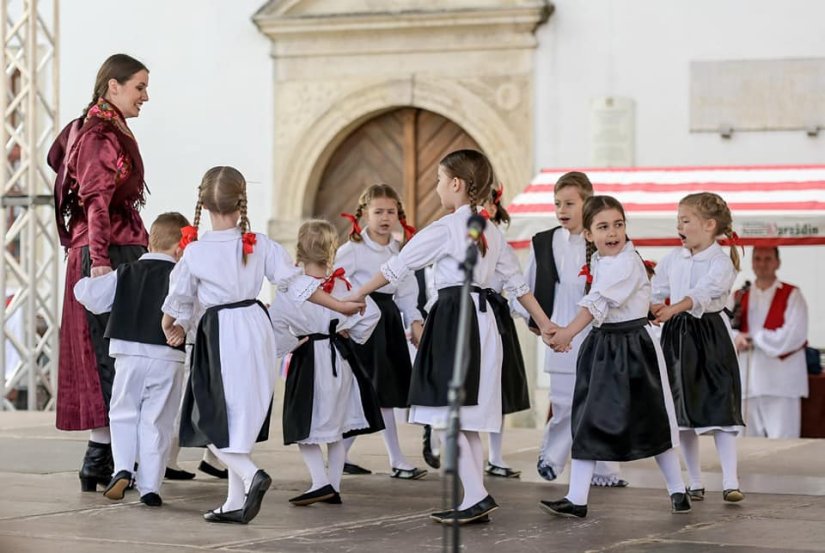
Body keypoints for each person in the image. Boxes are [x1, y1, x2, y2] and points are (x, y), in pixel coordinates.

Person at [347, 149, 556, 525]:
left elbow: (396, 267)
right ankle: (472, 497)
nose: (437, 187)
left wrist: (355, 294)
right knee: (467, 418)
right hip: (484, 322)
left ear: (456, 184)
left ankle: (475, 495)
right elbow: (517, 284)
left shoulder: (447, 228)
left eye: (440, 180)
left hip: (454, 321)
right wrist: (547, 325)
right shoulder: (489, 228)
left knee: (451, 415)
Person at [161, 166, 364, 524]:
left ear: (203, 204)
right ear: (242, 203)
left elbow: (178, 299)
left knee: (210, 414)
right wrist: (341, 305)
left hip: (221, 331)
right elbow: (297, 284)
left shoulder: (196, 252)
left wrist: (170, 326)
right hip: (255, 327)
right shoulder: (260, 245)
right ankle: (234, 502)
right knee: (239, 413)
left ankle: (252, 473)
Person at [540, 195, 689, 519]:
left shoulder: (626, 260)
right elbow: (606, 303)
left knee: (650, 420)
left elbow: (597, 303)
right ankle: (577, 497)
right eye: (603, 226)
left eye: (618, 225)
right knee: (587, 419)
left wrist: (566, 333)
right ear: (589, 234)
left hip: (631, 349)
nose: (613, 233)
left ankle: (678, 489)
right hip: (605, 346)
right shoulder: (602, 261)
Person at [47, 54, 151, 492]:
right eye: (139, 87)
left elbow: (56, 158)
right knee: (109, 354)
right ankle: (104, 457)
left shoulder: (93, 129)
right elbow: (93, 198)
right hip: (103, 249)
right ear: (112, 86)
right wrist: (102, 260)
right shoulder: (98, 134)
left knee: (112, 353)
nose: (146, 96)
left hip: (107, 246)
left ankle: (107, 456)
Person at [73, 213, 189, 507]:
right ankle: (150, 486)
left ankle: (122, 467)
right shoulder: (181, 275)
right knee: (158, 421)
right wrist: (183, 328)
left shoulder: (126, 272)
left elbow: (87, 295)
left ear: (150, 242)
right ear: (180, 247)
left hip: (127, 353)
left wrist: (93, 278)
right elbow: (194, 309)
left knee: (123, 413)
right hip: (167, 356)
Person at [518, 172, 626, 487]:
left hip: (595, 330)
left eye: (569, 203)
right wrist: (539, 324)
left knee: (599, 402)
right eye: (557, 204)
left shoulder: (602, 239)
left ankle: (605, 469)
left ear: (587, 202)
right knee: (565, 401)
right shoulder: (543, 241)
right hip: (559, 328)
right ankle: (551, 455)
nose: (561, 210)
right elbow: (528, 286)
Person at [272, 220, 385, 506]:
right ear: (332, 251)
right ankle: (332, 485)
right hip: (340, 358)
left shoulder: (290, 290)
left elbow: (275, 326)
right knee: (337, 425)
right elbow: (372, 314)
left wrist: (291, 345)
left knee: (304, 426)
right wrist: (349, 332)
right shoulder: (345, 284)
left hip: (309, 360)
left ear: (299, 250)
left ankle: (320, 482)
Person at [651, 192, 745, 503]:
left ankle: (731, 481)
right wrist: (653, 306)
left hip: (710, 333)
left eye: (685, 220)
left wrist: (673, 308)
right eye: (678, 219)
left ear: (708, 225)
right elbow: (656, 288)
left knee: (721, 404)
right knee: (683, 411)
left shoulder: (720, 261)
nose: (679, 225)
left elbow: (704, 292)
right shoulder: (673, 259)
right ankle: (694, 481)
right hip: (677, 337)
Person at [335, 184, 427, 479]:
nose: (385, 218)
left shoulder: (399, 250)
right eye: (378, 212)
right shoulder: (352, 250)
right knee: (374, 392)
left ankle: (346, 455)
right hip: (363, 324)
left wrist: (414, 320)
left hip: (388, 323)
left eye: (390, 212)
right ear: (364, 214)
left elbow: (407, 290)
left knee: (383, 393)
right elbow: (336, 285)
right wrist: (343, 323)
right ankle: (393, 460)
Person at [478, 185, 530, 478]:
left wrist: (531, 318)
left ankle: (496, 456)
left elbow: (514, 287)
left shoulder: (500, 243)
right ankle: (441, 444)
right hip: (469, 312)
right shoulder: (464, 238)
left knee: (497, 387)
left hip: (497, 316)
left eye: (489, 203)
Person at [733, 247, 809, 438]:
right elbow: (724, 327)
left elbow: (794, 334)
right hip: (746, 380)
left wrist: (755, 337)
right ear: (752, 263)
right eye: (757, 259)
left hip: (781, 382)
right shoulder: (739, 295)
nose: (762, 264)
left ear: (777, 262)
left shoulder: (792, 294)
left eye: (768, 259)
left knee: (784, 440)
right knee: (746, 445)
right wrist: (736, 337)